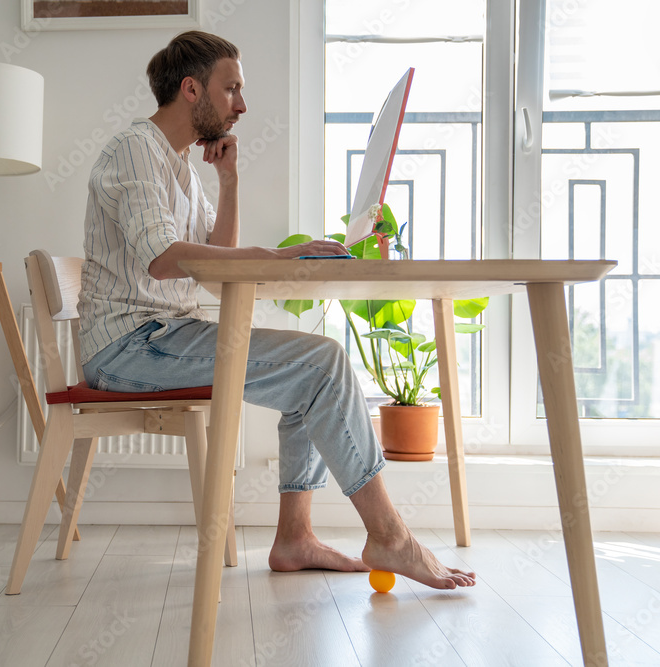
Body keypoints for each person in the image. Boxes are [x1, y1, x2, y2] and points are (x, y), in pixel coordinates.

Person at [76, 30, 476, 590]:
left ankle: (295, 538)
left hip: (165, 335)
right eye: (231, 89)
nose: (241, 105)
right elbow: (164, 260)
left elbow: (216, 263)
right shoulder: (135, 149)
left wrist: (229, 179)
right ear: (191, 89)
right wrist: (278, 255)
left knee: (313, 372)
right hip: (130, 345)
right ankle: (390, 535)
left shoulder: (181, 167)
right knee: (323, 364)